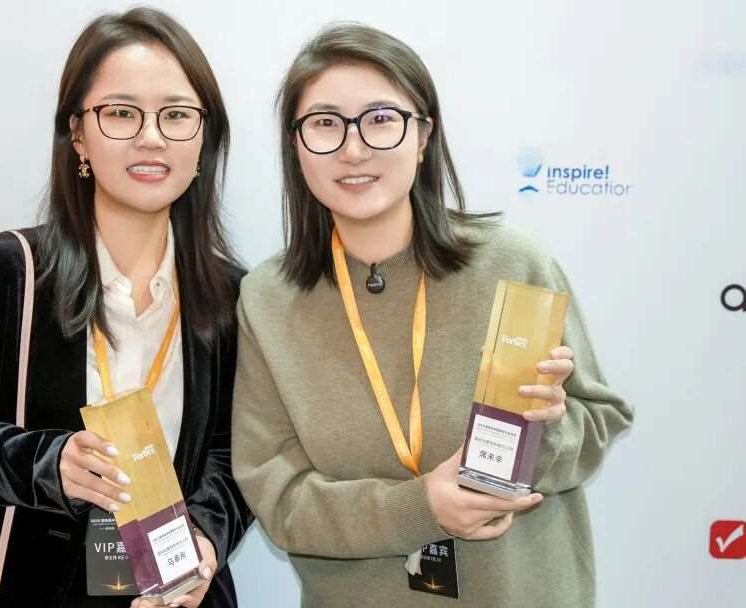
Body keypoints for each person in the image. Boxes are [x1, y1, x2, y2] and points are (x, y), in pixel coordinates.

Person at [231, 22, 633, 607]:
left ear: (423, 136)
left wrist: (546, 433)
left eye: (380, 119)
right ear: (295, 145)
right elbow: (279, 496)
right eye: (324, 123)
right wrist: (420, 508)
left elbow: (599, 420)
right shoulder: (268, 299)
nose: (353, 148)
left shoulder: (511, 263)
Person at [0, 8, 250, 607]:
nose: (151, 136)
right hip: (21, 586)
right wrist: (47, 463)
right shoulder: (2, 271)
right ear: (78, 134)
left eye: (176, 114)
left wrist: (206, 537)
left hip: (172, 592)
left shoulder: (233, 294)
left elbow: (236, 452)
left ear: (204, 138)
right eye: (121, 113)